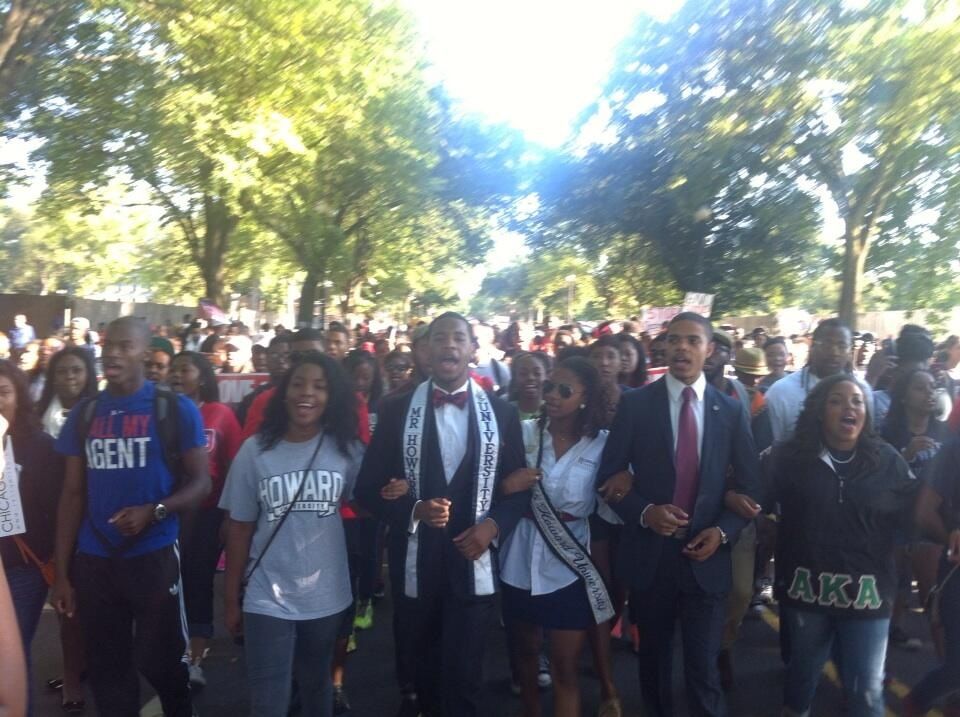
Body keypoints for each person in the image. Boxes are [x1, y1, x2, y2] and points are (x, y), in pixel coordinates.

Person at [354, 312, 528, 717]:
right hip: (417, 563)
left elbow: (518, 489)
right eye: (440, 337)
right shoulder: (396, 410)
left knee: (466, 676)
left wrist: (492, 526)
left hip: (474, 559)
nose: (449, 344)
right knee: (426, 672)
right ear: (427, 350)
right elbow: (366, 489)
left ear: (472, 350)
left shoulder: (502, 414)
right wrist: (412, 508)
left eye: (458, 338)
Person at [596, 311, 761, 717]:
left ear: (710, 351)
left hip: (706, 559)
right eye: (674, 340)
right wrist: (645, 512)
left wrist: (722, 533)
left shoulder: (731, 410)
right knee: (653, 664)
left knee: (702, 670)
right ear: (664, 346)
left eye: (692, 340)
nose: (682, 347)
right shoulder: (636, 405)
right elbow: (608, 478)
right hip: (651, 558)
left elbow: (752, 489)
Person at [51, 316, 211, 717]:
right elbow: (71, 495)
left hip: (153, 557)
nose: (113, 354)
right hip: (96, 560)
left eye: (124, 346)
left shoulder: (175, 409)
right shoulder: (84, 415)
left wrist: (155, 511)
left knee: (164, 665)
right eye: (108, 346)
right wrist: (62, 572)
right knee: (108, 670)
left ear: (144, 352)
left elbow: (201, 484)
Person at [763, 374, 917, 717]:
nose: (849, 407)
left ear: (867, 413)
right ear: (820, 410)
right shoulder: (789, 458)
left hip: (869, 595)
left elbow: (914, 518)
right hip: (806, 594)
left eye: (857, 401)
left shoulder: (889, 461)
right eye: (837, 400)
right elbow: (753, 497)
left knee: (865, 690)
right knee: (802, 677)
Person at [220, 352, 364, 717]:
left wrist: (394, 494)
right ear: (283, 393)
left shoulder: (346, 449)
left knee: (317, 687)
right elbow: (239, 527)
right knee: (268, 700)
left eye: (319, 386)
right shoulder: (255, 451)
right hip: (267, 593)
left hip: (326, 594)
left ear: (332, 397)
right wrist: (231, 596)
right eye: (298, 384)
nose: (307, 393)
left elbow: (369, 504)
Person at [498, 357, 617, 717]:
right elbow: (486, 488)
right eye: (549, 386)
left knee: (565, 668)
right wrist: (506, 485)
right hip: (518, 560)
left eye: (563, 390)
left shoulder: (604, 446)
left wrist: (626, 481)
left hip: (569, 566)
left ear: (585, 397)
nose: (551, 394)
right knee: (527, 658)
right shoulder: (525, 434)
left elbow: (613, 504)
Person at [168, 351, 242, 689]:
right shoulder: (160, 413)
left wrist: (229, 517)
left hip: (208, 514)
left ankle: (194, 661)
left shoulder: (221, 414)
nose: (177, 375)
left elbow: (236, 468)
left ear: (203, 376)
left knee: (197, 583)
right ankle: (168, 654)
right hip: (165, 512)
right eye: (173, 369)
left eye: (185, 369)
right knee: (168, 584)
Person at [0, 361, 64, 715]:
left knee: (11, 652)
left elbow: (58, 511)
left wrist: (63, 572)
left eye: (4, 393)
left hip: (24, 568)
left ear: (20, 398)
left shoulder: (40, 447)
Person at [35, 347, 97, 710]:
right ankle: (73, 674)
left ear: (89, 373)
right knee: (66, 606)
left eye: (77, 371)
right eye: (62, 372)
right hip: (50, 524)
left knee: (89, 609)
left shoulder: (99, 413)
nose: (70, 378)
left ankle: (80, 671)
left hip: (90, 521)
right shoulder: (39, 416)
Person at [906, 433, 960, 715]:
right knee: (957, 668)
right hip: (956, 573)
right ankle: (915, 703)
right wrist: (951, 536)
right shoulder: (954, 447)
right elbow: (924, 512)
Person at [764, 318, 874, 442]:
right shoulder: (781, 392)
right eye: (827, 345)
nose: (834, 352)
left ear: (850, 351)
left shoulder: (862, 391)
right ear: (813, 346)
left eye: (842, 346)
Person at [235, 334, 291, 426]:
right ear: (267, 358)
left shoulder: (300, 398)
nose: (281, 360)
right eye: (274, 354)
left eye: (286, 355)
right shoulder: (251, 400)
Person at [508, 351, 551, 421]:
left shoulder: (552, 411)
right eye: (523, 374)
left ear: (546, 377)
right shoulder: (505, 412)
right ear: (515, 378)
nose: (530, 378)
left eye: (537, 373)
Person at [472, 323, 511, 396]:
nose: (474, 343)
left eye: (477, 339)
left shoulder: (500, 369)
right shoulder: (458, 368)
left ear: (490, 339)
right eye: (471, 339)